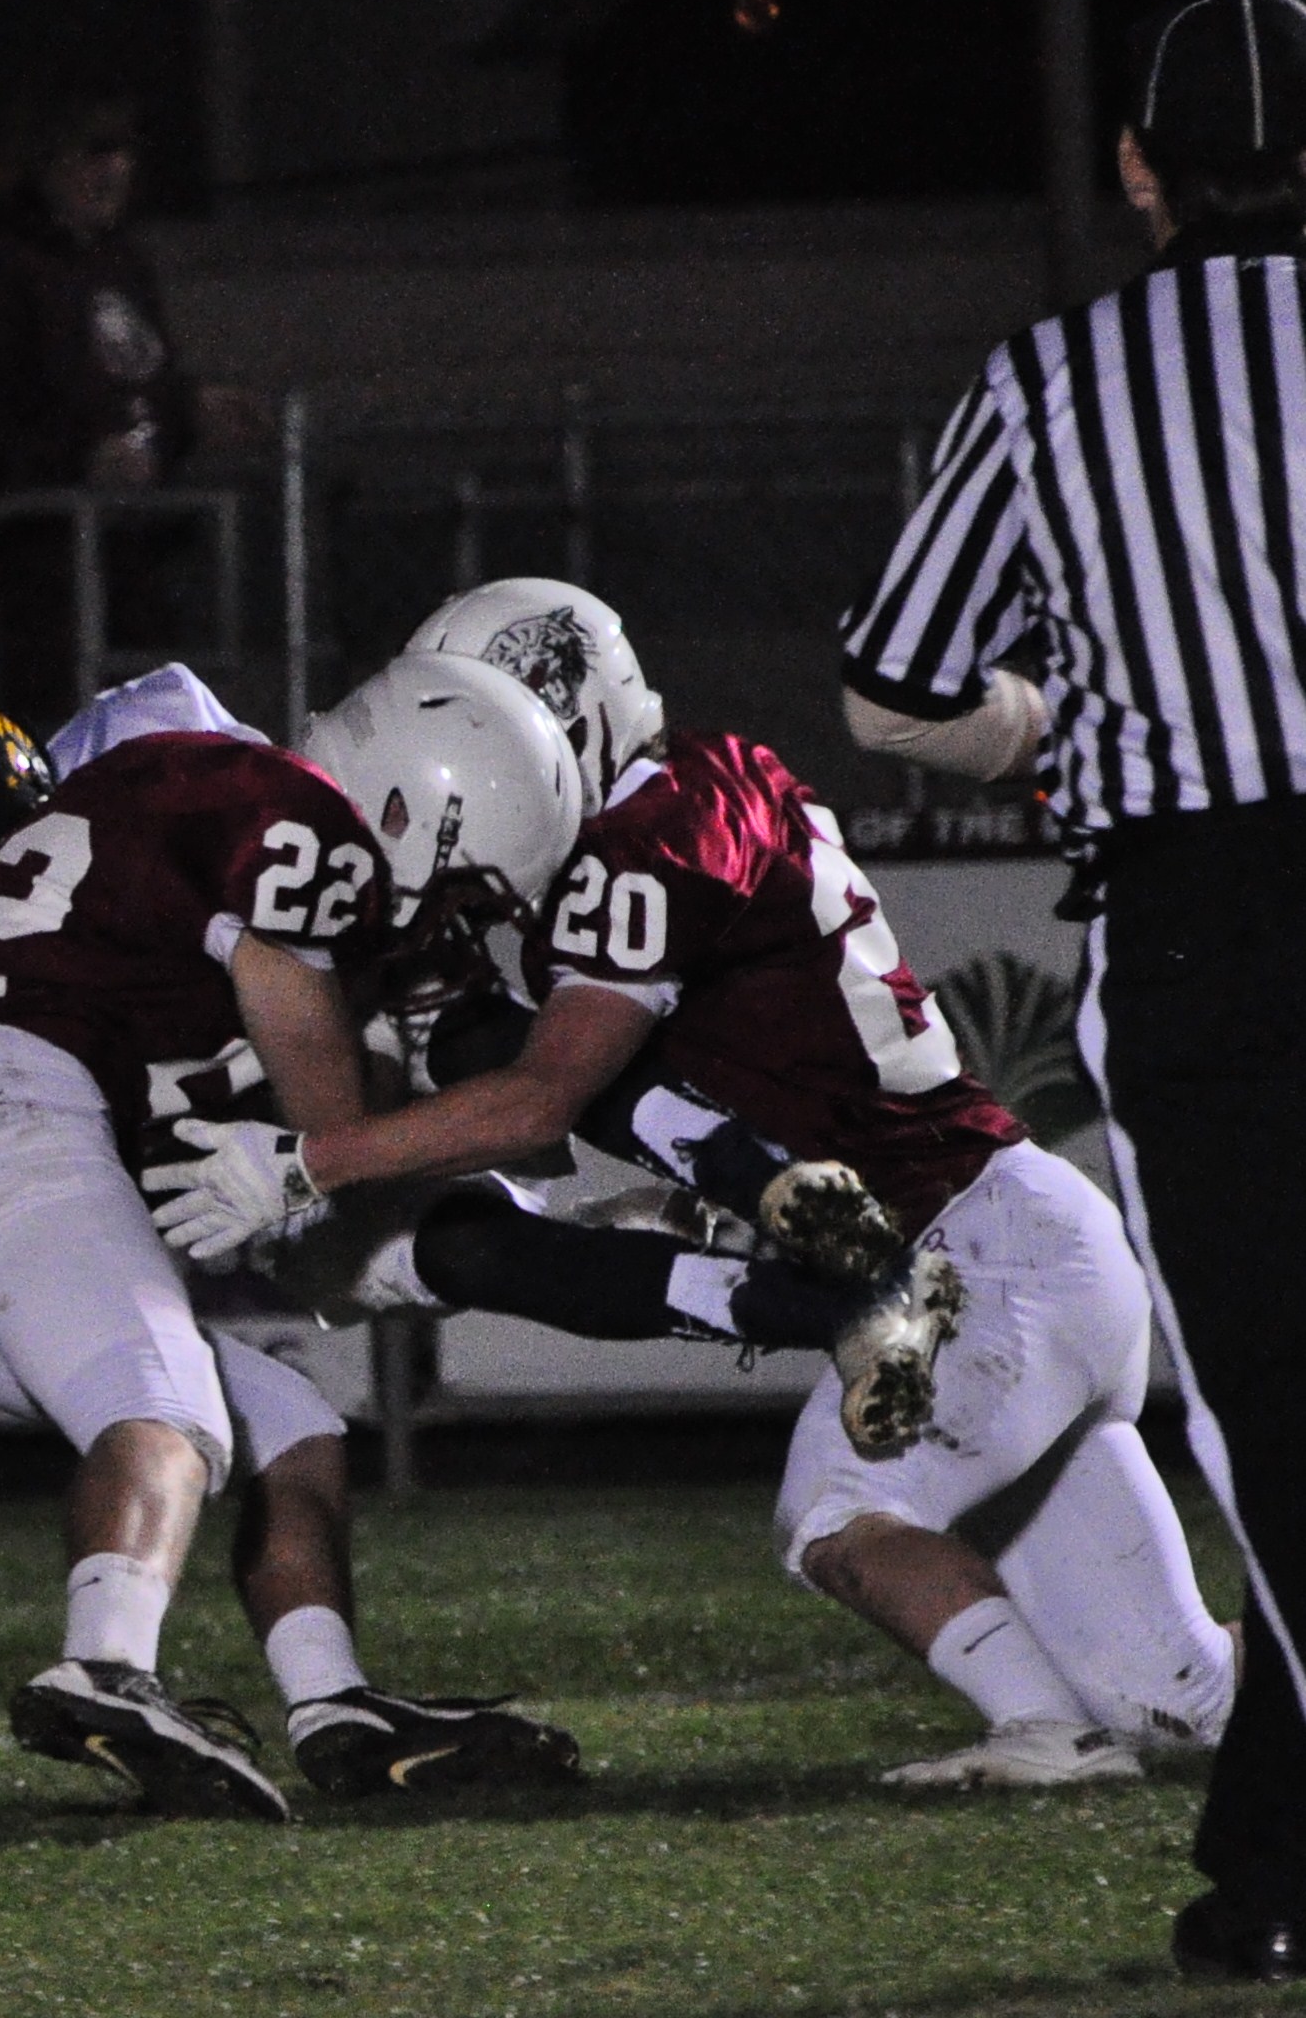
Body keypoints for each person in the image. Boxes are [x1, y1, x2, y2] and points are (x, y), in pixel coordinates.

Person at [148, 585, 1237, 1791]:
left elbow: (543, 1102)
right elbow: (595, 1099)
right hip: (1021, 1235)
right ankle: (1119, 1710)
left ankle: (1043, 1729)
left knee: (839, 1514)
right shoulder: (697, 798)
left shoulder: (651, 841)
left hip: (970, 1250)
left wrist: (317, 1159)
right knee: (1184, 1694)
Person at [841, 0, 1306, 1974]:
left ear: (1137, 171)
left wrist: (1049, 719)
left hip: (1209, 916)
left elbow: (891, 684)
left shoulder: (1055, 376)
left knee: (1271, 1403)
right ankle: (1265, 1851)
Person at [0, 682, 578, 1819]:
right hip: (3, 1105)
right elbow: (312, 1076)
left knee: (288, 1424)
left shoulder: (97, 869)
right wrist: (342, 1167)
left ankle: (333, 1704)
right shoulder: (258, 801)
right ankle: (105, 1663)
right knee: (167, 1409)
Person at [0, 89, 247, 726]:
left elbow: (130, 380)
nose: (115, 169)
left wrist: (187, 412)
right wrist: (78, 460)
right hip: (5, 577)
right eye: (94, 151)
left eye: (124, 151)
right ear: (45, 161)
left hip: (108, 570)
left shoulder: (117, 262)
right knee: (32, 746)